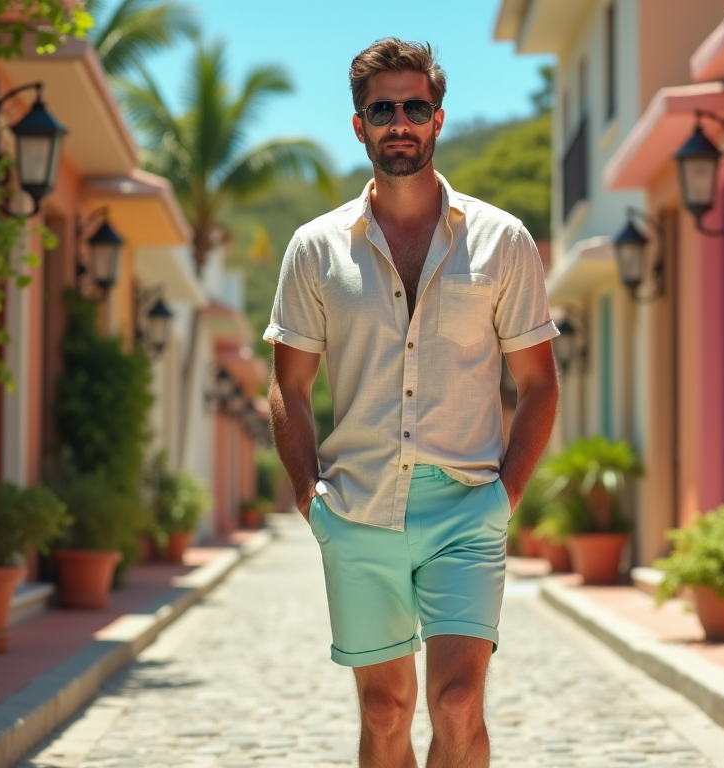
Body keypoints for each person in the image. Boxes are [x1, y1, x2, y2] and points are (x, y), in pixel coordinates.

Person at [265, 38, 560, 768]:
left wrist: (507, 494)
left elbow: (539, 383)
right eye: (383, 109)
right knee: (385, 709)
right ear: (360, 125)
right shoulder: (315, 249)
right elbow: (289, 387)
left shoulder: (502, 241)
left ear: (438, 120)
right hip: (359, 505)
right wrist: (312, 500)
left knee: (459, 703)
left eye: (414, 108)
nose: (401, 122)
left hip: (466, 506)